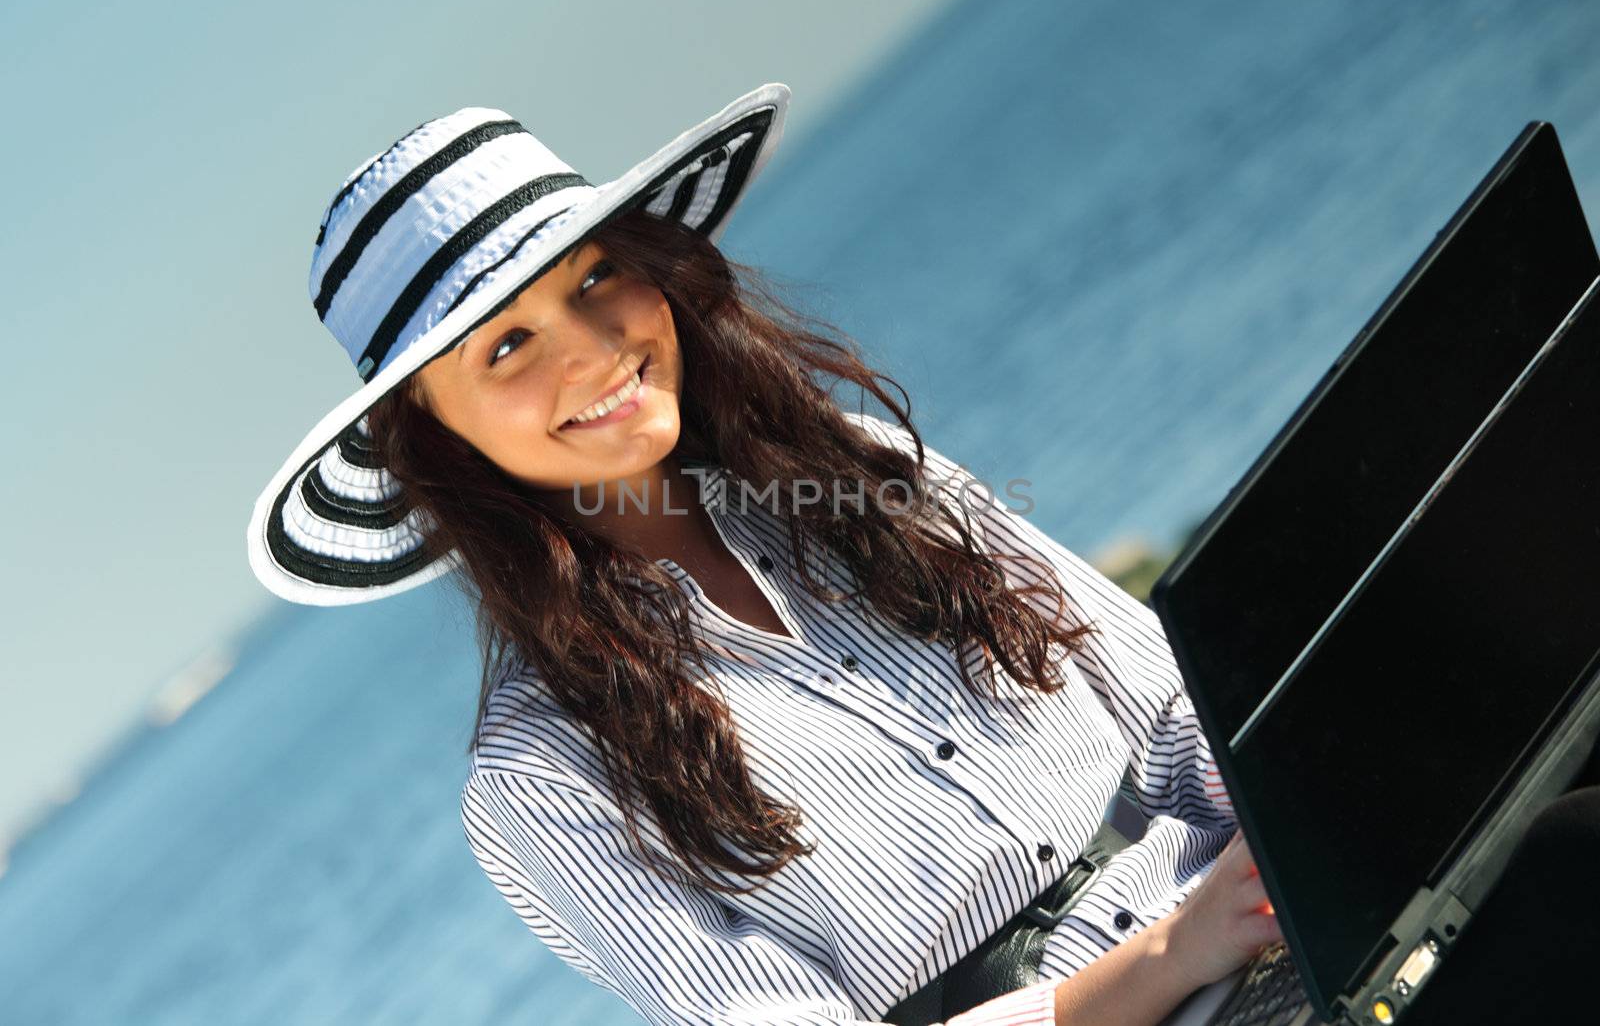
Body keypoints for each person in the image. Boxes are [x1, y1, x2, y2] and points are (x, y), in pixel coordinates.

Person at [246, 83, 1600, 1026]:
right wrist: (1164, 959)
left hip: (1286, 921)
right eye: (508, 347)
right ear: (435, 439)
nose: (595, 352)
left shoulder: (856, 473)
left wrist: (1334, 815)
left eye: (597, 279)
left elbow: (1180, 718)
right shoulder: (541, 779)